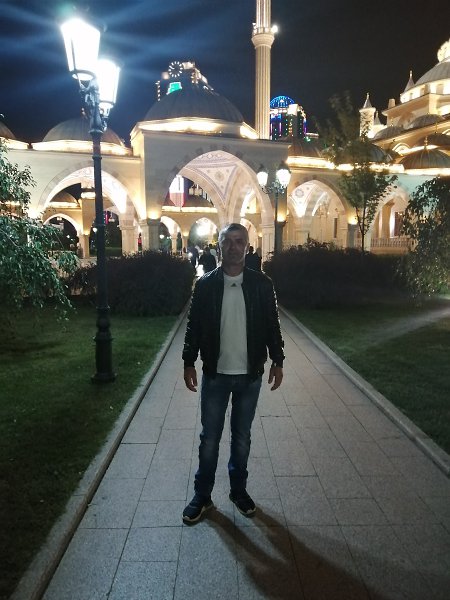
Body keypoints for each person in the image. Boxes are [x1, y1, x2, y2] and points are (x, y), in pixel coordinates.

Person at [182, 223, 284, 524]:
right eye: (228, 241)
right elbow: (194, 326)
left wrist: (278, 360)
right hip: (215, 374)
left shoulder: (262, 284)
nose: (234, 247)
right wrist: (188, 361)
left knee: (241, 438)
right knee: (209, 438)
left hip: (249, 375)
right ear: (219, 246)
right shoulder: (205, 285)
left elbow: (272, 324)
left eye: (239, 241)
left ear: (247, 246)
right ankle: (202, 495)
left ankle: (238, 491)